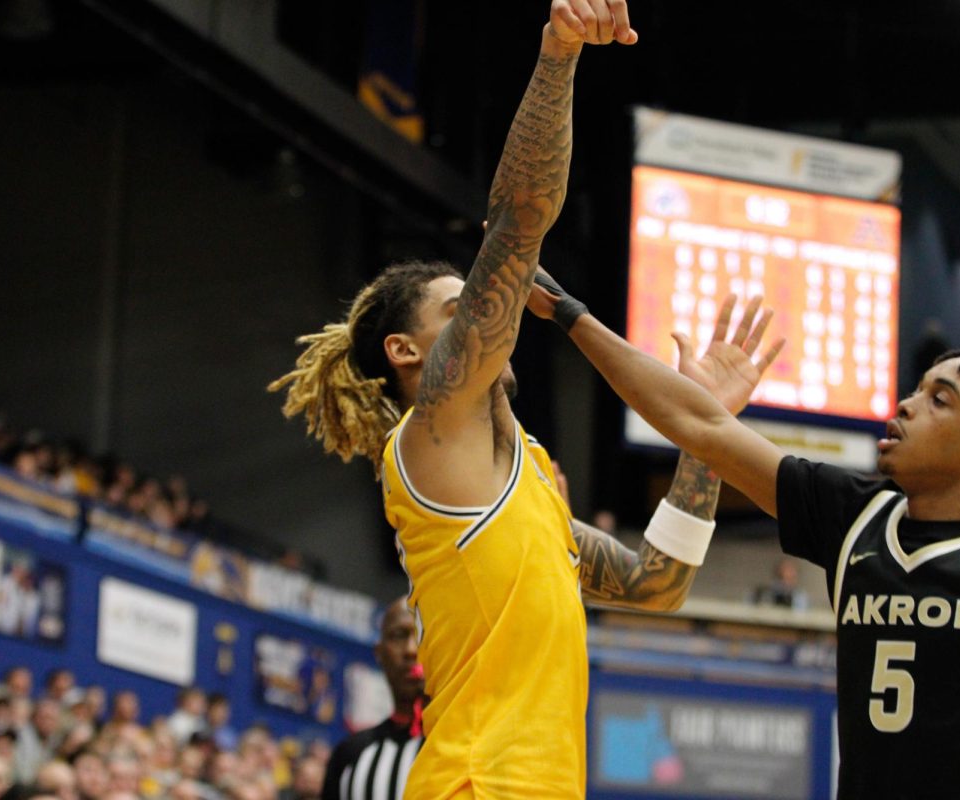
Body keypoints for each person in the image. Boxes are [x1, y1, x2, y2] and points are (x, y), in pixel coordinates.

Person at [268, 3, 782, 796]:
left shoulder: (527, 478)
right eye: (459, 307)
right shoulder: (432, 430)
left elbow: (657, 582)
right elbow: (517, 222)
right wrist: (558, 56)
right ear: (407, 353)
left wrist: (704, 438)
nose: (486, 307)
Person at [526, 272, 960, 799]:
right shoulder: (853, 516)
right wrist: (570, 314)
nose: (906, 404)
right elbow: (697, 427)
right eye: (918, 388)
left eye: (939, 399)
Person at [322, 599, 425, 800]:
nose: (411, 650)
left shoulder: (466, 746)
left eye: (422, 635)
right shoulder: (350, 754)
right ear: (379, 653)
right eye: (399, 635)